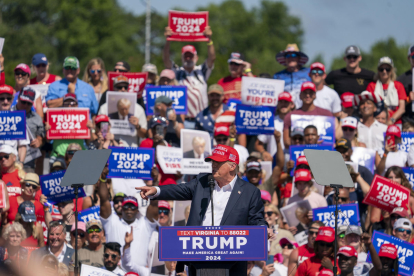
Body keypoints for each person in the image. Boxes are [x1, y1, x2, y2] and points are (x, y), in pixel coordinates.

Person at [137, 144, 270, 276]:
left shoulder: (250, 192)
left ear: (232, 166)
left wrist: (263, 230)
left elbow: (257, 220)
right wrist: (156, 190)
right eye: (212, 162)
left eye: (218, 162)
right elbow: (180, 190)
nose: (213, 165)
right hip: (199, 260)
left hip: (231, 264)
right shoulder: (202, 181)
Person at [98, 167, 158, 270]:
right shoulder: (112, 222)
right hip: (114, 272)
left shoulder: (145, 225)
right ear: (121, 209)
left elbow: (154, 203)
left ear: (137, 210)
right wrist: (103, 179)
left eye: (132, 206)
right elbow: (103, 200)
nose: (129, 209)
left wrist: (155, 181)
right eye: (126, 206)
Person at [163, 26, 215, 126]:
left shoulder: (202, 71)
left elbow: (212, 58)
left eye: (190, 56)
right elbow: (166, 60)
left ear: (196, 57)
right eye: (185, 56)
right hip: (183, 120)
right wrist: (168, 40)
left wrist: (209, 40)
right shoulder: (177, 72)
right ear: (181, 58)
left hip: (202, 119)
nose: (188, 58)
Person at [283, 82, 342, 148]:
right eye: (305, 93)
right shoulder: (290, 116)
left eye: (310, 93)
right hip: (298, 154)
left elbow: (335, 139)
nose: (308, 95)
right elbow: (286, 143)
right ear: (300, 95)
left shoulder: (327, 114)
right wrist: (308, 143)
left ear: (315, 95)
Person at [12, 87, 45, 172]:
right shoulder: (8, 113)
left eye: (29, 103)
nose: (26, 105)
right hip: (7, 157)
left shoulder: (37, 118)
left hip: (28, 160)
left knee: (28, 183)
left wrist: (38, 141)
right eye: (23, 102)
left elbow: (40, 136)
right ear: (18, 98)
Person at [366, 57, 406, 126]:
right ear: (378, 71)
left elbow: (402, 108)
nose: (384, 71)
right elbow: (368, 106)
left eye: (387, 69)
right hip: (377, 122)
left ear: (392, 70)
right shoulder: (372, 86)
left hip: (395, 123)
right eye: (381, 69)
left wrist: (391, 120)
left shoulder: (398, 85)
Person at [256, 92, 294, 162]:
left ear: (292, 105)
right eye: (281, 102)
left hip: (293, 161)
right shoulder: (270, 121)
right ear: (277, 104)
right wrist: (263, 152)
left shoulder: (296, 121)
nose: (283, 104)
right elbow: (258, 143)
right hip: (275, 163)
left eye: (286, 102)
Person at [274, 43, 311, 108]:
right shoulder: (278, 76)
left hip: (304, 110)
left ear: (299, 58)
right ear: (285, 59)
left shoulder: (309, 72)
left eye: (294, 55)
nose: (290, 58)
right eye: (288, 56)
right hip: (285, 109)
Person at [0, 88, 31, 162]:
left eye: (8, 98)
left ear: (12, 100)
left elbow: (22, 145)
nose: (5, 101)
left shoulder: (18, 117)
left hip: (13, 161)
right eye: (2, 98)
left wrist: (21, 163)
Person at [397, 44, 414, 124]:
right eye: (413, 57)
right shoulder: (401, 79)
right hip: (408, 122)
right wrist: (408, 99)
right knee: (407, 136)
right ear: (409, 59)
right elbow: (397, 103)